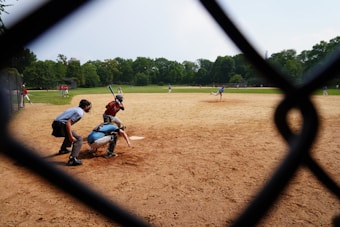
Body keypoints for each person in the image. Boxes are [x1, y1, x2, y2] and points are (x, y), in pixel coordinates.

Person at [51, 99, 92, 166]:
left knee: (69, 132)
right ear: (85, 106)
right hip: (60, 125)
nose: (89, 108)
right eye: (88, 106)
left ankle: (63, 149)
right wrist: (70, 136)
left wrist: (69, 134)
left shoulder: (75, 108)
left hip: (56, 123)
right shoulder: (80, 112)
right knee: (79, 139)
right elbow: (68, 123)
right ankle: (73, 159)